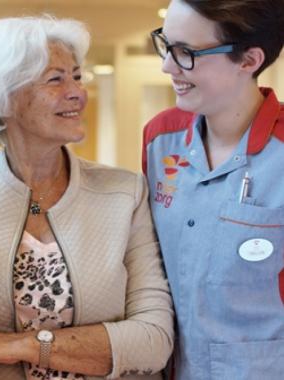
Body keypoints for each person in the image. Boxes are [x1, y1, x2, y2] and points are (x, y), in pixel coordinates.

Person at [0, 16, 174, 380]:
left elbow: (154, 339)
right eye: (55, 79)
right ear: (4, 97)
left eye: (77, 76)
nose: (77, 92)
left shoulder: (124, 192)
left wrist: (21, 345)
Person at [143, 0, 284, 379]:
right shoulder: (160, 139)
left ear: (248, 60)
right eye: (166, 45)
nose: (167, 66)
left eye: (186, 53)